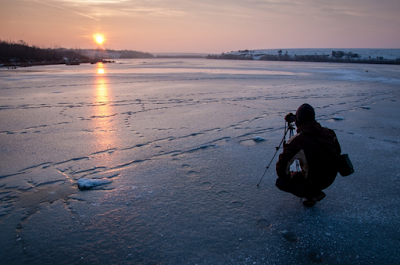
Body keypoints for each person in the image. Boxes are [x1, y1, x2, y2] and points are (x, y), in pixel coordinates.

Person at [275, 103, 341, 207]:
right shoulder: (330, 133)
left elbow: (281, 168)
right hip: (330, 177)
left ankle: (313, 194)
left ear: (298, 120)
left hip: (314, 180)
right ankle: (314, 192)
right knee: (313, 171)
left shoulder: (297, 141)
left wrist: (290, 176)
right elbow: (338, 152)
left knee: (281, 182)